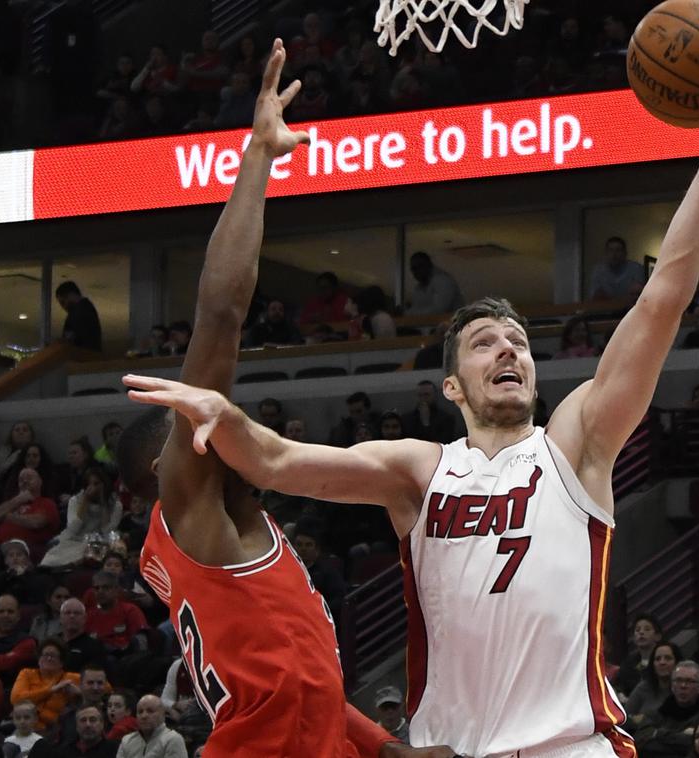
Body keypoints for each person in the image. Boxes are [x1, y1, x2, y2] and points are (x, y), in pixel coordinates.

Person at [123, 42, 699, 758]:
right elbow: (273, 459)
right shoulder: (419, 471)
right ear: (453, 386)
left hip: (572, 747)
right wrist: (221, 417)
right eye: (486, 340)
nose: (509, 349)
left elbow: (662, 298)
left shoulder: (577, 442)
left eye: (518, 341)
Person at [115, 39, 449, 758]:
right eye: (209, 429)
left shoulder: (241, 534)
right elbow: (222, 317)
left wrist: (392, 752)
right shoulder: (195, 512)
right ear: (175, 464)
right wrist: (258, 160)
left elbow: (307, 685)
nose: (236, 426)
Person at [41, 468, 121, 569]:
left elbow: (107, 531)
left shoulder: (116, 505)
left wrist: (104, 503)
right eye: (89, 484)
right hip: (74, 538)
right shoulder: (75, 501)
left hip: (97, 542)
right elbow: (73, 528)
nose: (93, 488)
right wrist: (85, 501)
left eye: (96, 484)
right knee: (52, 558)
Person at [634, 662, 699, 757]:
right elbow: (639, 741)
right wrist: (680, 737)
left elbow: (695, 745)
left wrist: (657, 733)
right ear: (672, 686)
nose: (683, 686)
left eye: (690, 681)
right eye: (678, 680)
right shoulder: (656, 714)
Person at [10, 639, 81, 733]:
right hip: (24, 727)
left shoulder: (71, 678)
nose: (48, 658)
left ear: (62, 661)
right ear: (39, 658)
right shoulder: (27, 673)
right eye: (45, 655)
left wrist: (80, 693)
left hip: (55, 730)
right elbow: (16, 699)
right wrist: (50, 690)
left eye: (53, 656)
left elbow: (104, 688)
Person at [0, 594, 37, 686]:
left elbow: (9, 662)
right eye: (1, 611)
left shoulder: (28, 641)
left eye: (10, 611)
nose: (5, 615)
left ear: (18, 615)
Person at [625, 642, 681, 726]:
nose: (662, 662)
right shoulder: (643, 688)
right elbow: (624, 719)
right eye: (658, 659)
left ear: (677, 662)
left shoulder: (684, 688)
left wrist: (644, 719)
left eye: (668, 658)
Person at [31, 704, 117, 758]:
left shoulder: (115, 750)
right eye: (83, 720)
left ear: (102, 724)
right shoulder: (63, 752)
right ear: (76, 726)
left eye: (93, 720)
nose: (88, 724)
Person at [115, 695, 185, 758]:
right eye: (140, 712)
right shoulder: (126, 740)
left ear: (163, 715)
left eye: (150, 711)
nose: (144, 716)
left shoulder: (173, 739)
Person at [616, 614, 664, 696]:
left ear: (658, 636)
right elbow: (620, 687)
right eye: (637, 630)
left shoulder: (663, 660)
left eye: (647, 629)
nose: (641, 633)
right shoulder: (628, 664)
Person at [589, 236, 645, 301]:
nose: (614, 254)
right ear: (606, 253)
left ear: (625, 253)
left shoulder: (636, 268)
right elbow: (595, 296)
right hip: (606, 310)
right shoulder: (598, 270)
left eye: (618, 250)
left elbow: (637, 295)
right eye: (610, 250)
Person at [59, 598, 105, 673]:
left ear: (85, 618)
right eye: (67, 613)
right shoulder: (52, 642)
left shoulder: (95, 646)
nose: (72, 616)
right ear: (60, 618)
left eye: (77, 613)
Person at [57, 281, 102, 352]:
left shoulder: (78, 312)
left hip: (80, 357)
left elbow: (72, 339)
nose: (64, 307)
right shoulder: (87, 308)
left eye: (63, 302)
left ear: (71, 294)